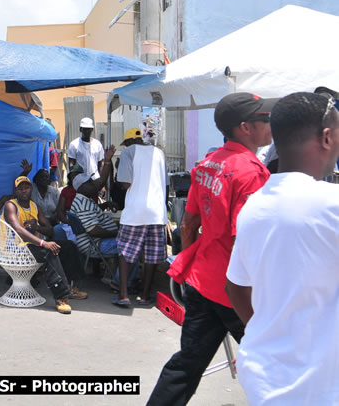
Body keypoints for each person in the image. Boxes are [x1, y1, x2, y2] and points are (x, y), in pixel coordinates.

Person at [147, 92, 275, 406]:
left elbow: (187, 225)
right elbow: (249, 242)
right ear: (245, 127)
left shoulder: (207, 165)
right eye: (265, 119)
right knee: (276, 364)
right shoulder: (252, 174)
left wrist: (196, 268)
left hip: (202, 282)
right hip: (236, 289)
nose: (271, 124)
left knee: (186, 365)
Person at [225, 92, 339, 406]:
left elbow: (235, 286)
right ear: (326, 138)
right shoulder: (331, 204)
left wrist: (266, 332)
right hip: (317, 388)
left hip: (264, 376)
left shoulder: (254, 205)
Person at [3, 176, 87, 314]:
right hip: (15, 249)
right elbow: (18, 230)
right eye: (20, 188)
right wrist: (43, 243)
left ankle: (72, 288)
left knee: (68, 246)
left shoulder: (35, 207)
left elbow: (50, 230)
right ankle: (61, 297)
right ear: (15, 191)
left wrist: (36, 227)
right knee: (48, 252)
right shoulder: (10, 206)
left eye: (26, 187)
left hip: (31, 246)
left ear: (31, 189)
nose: (24, 190)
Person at [114, 128, 168, 307]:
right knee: (152, 256)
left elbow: (125, 183)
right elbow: (166, 184)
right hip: (157, 213)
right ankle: (145, 296)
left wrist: (119, 169)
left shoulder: (128, 152)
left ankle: (123, 296)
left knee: (124, 252)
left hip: (135, 212)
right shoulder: (159, 153)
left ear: (130, 142)